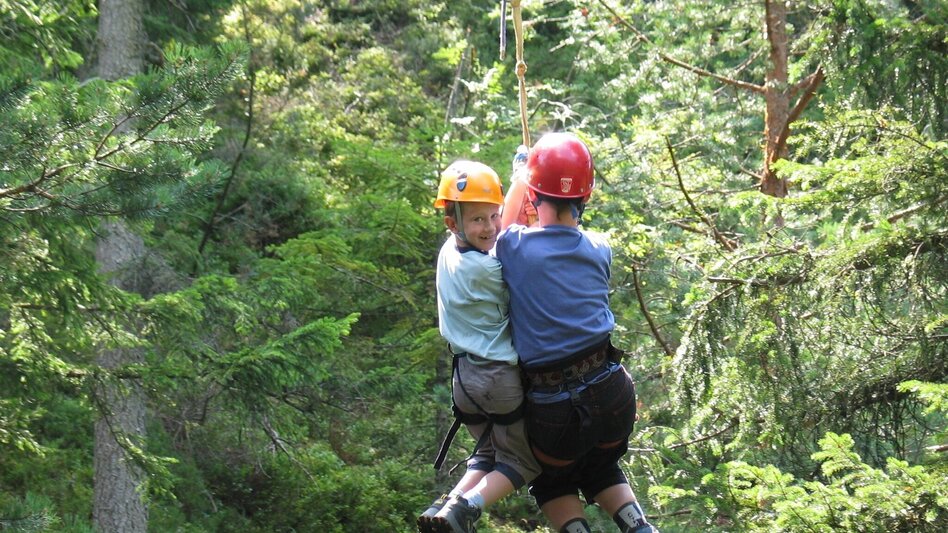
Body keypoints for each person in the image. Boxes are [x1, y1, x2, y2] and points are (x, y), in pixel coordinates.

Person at [495, 132, 658, 533]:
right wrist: (531, 181)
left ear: (534, 196)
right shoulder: (600, 246)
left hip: (554, 410)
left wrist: (520, 177)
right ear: (585, 199)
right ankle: (639, 528)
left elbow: (501, 224)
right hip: (613, 394)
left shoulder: (514, 247)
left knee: (553, 479)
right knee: (600, 463)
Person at [417, 160, 541, 533]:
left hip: (465, 380)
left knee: (487, 454)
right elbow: (520, 262)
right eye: (478, 220)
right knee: (523, 461)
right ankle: (465, 508)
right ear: (453, 223)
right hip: (496, 379)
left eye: (493, 216)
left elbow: (501, 232)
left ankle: (445, 509)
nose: (489, 227)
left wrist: (520, 178)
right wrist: (527, 195)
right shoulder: (485, 270)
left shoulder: (449, 253)